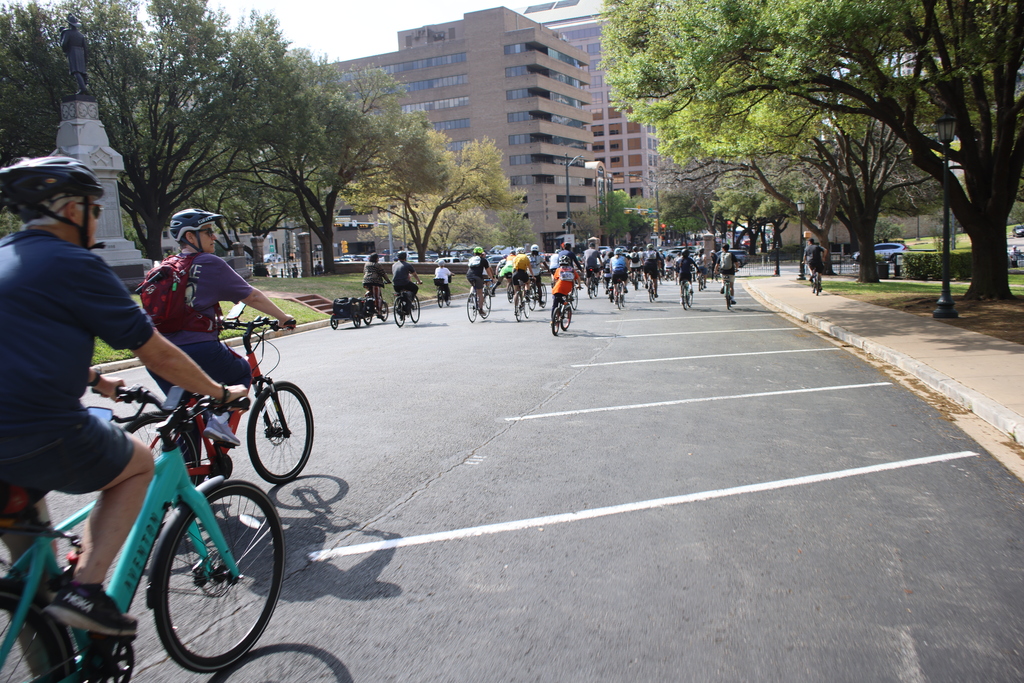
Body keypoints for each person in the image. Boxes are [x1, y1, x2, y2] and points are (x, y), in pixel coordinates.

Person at [0, 156, 248, 636]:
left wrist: (98, 382)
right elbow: (155, 351)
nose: (97, 219)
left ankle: (57, 648)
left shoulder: (6, 255)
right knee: (137, 464)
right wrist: (220, 391)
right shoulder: (74, 263)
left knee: (34, 586)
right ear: (70, 209)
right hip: (36, 427)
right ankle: (87, 589)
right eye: (94, 208)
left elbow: (24, 338)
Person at [145, 208, 296, 447]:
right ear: (190, 236)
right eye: (208, 232)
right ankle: (221, 421)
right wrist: (282, 317)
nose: (214, 237)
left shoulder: (168, 266)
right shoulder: (208, 263)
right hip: (198, 350)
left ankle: (185, 467)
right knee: (241, 371)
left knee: (188, 420)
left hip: (158, 353)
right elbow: (252, 296)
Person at [466, 246, 495, 314]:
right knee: (480, 293)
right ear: (481, 253)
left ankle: (472, 295)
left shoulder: (471, 259)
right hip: (478, 276)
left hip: (469, 275)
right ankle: (480, 309)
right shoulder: (483, 260)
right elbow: (488, 270)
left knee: (473, 286)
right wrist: (491, 278)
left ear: (474, 253)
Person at [362, 252, 391, 318]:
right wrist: (388, 281)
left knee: (370, 292)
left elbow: (364, 272)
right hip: (375, 282)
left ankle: (367, 302)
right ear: (376, 259)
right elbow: (383, 273)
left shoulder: (366, 264)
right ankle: (379, 312)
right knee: (377, 297)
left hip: (366, 281)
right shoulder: (377, 265)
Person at [550, 255, 577, 321]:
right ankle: (564, 304)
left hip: (558, 289)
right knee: (564, 296)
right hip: (568, 289)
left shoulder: (558, 270)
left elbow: (554, 280)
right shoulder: (571, 270)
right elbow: (576, 278)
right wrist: (578, 285)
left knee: (555, 305)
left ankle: (553, 319)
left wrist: (554, 285)